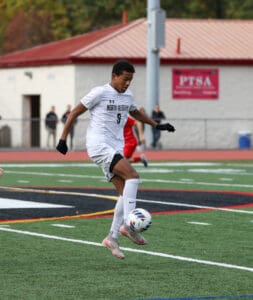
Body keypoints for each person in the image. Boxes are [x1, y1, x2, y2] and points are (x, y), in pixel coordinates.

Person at [56, 60, 175, 259]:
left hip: (115, 147)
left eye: (130, 80)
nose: (127, 83)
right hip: (99, 145)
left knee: (124, 193)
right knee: (133, 176)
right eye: (125, 79)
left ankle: (112, 237)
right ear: (114, 76)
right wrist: (62, 139)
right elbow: (75, 112)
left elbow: (136, 112)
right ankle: (129, 225)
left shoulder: (127, 96)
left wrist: (157, 125)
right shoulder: (99, 92)